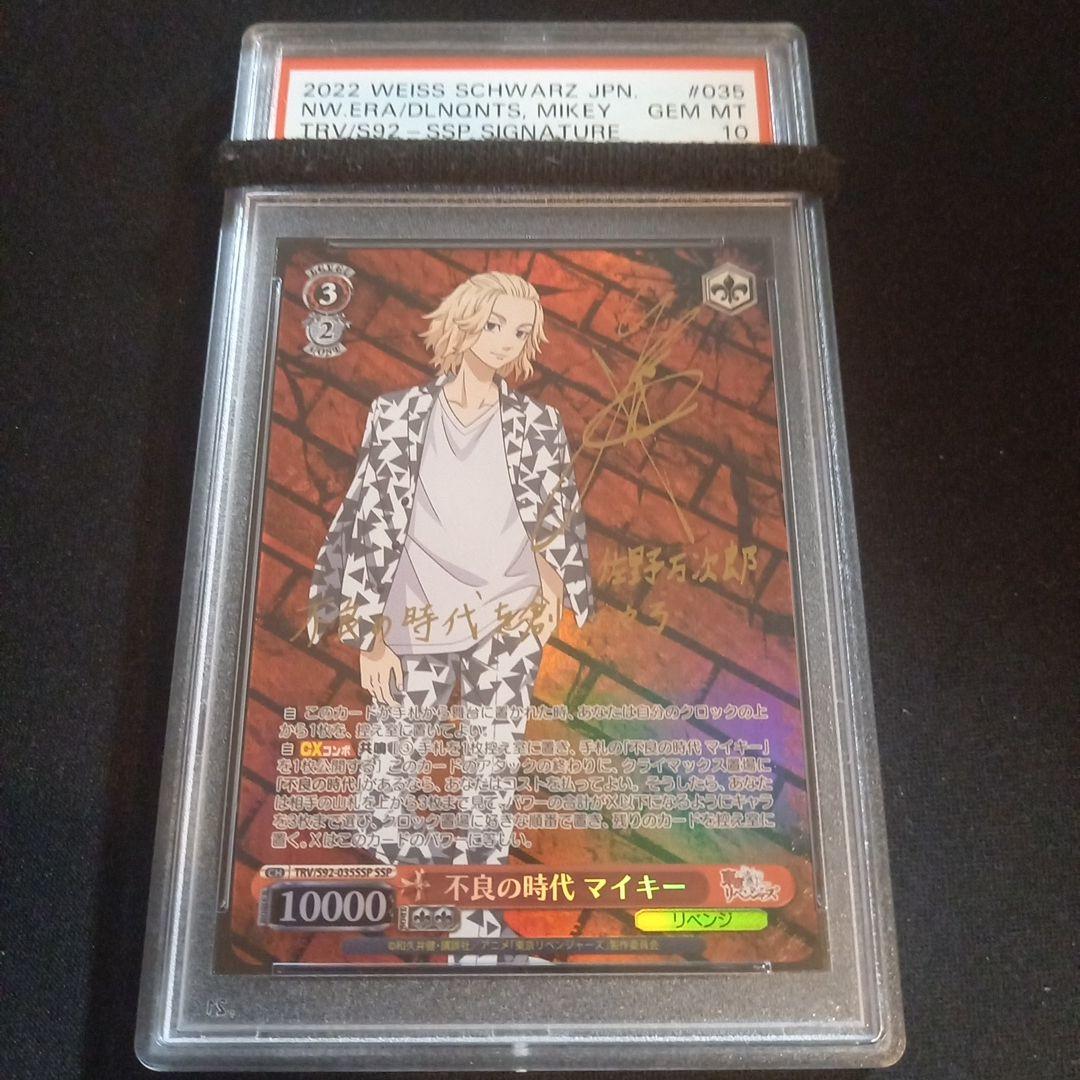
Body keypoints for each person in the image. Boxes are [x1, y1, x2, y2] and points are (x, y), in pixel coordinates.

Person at [308, 271, 593, 889]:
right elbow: (371, 522)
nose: (506, 342)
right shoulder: (397, 414)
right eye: (494, 325)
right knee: (383, 794)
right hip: (416, 614)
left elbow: (555, 515)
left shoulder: (539, 423)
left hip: (508, 618)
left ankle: (479, 891)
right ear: (462, 324)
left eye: (520, 333)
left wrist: (550, 586)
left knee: (492, 775)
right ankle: (420, 868)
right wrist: (370, 639)